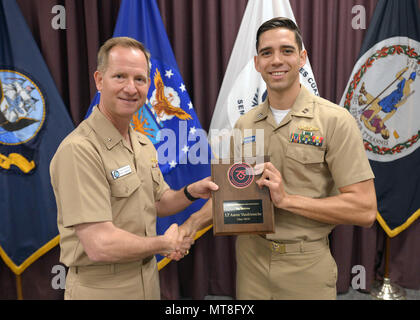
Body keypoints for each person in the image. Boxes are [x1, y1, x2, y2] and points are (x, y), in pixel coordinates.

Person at [50, 37, 218, 300]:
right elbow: (99, 244)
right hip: (102, 288)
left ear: (149, 85)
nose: (131, 88)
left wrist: (190, 192)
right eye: (119, 76)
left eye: (139, 79)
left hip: (147, 280)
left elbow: (159, 201)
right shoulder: (80, 150)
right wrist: (165, 243)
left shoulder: (142, 142)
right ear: (99, 80)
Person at [229, 17, 377, 299]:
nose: (276, 60)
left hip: (305, 264)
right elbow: (233, 196)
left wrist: (287, 201)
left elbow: (365, 209)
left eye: (286, 50)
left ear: (302, 57)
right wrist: (188, 226)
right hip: (250, 262)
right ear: (257, 63)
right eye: (266, 53)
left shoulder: (335, 121)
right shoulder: (244, 125)